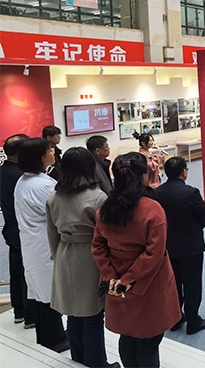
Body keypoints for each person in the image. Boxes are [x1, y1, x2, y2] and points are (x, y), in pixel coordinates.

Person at [92, 152, 181, 368]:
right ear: (143, 176)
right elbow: (153, 254)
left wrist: (111, 277)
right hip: (147, 282)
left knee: (127, 335)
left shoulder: (106, 209)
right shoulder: (152, 209)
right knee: (148, 341)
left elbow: (98, 245)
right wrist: (128, 279)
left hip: (115, 280)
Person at [46, 147, 117, 368]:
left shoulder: (54, 197)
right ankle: (97, 363)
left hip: (65, 252)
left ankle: (78, 358)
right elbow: (107, 235)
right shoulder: (97, 197)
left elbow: (51, 233)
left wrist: (58, 256)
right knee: (93, 314)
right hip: (90, 257)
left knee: (74, 313)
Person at [15, 137, 69, 352]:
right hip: (44, 244)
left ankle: (48, 336)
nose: (53, 152)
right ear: (39, 156)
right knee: (49, 294)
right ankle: (55, 339)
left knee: (40, 293)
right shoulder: (43, 185)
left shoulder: (25, 180)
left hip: (33, 244)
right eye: (49, 149)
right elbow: (61, 213)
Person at [156, 156, 205, 335]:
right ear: (184, 173)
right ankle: (193, 320)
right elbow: (203, 216)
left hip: (168, 245)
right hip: (191, 245)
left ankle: (175, 318)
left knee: (173, 281)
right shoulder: (191, 193)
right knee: (192, 283)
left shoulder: (157, 193)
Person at [0, 133, 36, 329]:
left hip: (12, 230)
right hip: (26, 231)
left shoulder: (3, 171)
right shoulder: (21, 177)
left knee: (16, 272)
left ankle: (20, 311)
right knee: (27, 274)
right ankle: (30, 315)